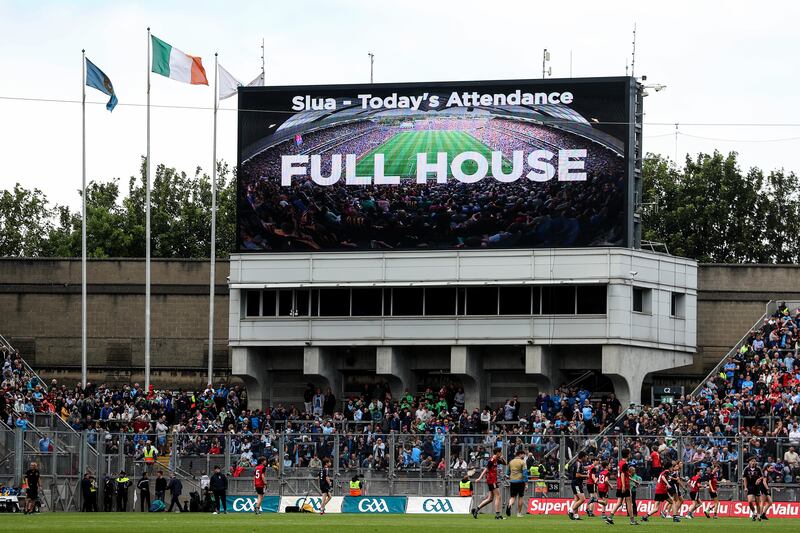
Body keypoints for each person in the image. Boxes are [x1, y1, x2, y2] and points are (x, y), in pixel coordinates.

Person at [472, 447, 507, 520]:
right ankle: (497, 515)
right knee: (498, 496)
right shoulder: (492, 460)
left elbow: (505, 463)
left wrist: (502, 458)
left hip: (493, 480)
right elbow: (486, 469)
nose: (501, 453)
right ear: (497, 453)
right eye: (500, 452)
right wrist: (479, 478)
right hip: (492, 480)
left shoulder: (497, 459)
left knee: (490, 499)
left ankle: (476, 509)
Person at [605, 449, 637, 525]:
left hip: (620, 484)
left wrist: (628, 475)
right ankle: (632, 521)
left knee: (619, 502)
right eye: (629, 454)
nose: (630, 455)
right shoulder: (625, 464)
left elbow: (622, 473)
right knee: (629, 502)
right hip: (624, 485)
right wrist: (623, 486)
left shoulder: (620, 463)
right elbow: (622, 475)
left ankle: (609, 518)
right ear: (628, 454)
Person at [568, 451, 588, 520]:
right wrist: (586, 476)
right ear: (583, 457)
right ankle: (571, 511)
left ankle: (576, 515)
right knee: (582, 499)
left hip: (576, 483)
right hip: (576, 484)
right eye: (586, 456)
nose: (586, 458)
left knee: (577, 499)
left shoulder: (579, 463)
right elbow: (577, 475)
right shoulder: (578, 464)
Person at [506, 449, 527, 518]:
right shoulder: (522, 462)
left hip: (512, 481)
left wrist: (511, 477)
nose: (524, 456)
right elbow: (524, 473)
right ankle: (519, 513)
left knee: (512, 497)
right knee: (520, 497)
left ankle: (509, 505)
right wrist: (526, 483)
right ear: (520, 454)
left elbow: (507, 473)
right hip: (520, 481)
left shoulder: (511, 462)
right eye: (523, 454)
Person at [743, 457, 763, 521]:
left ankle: (759, 516)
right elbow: (745, 479)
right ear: (749, 462)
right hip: (750, 487)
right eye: (752, 461)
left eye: (754, 461)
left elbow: (762, 476)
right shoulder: (746, 469)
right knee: (750, 501)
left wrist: (759, 479)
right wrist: (745, 487)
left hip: (757, 487)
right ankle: (754, 512)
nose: (753, 462)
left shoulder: (758, 469)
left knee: (757, 502)